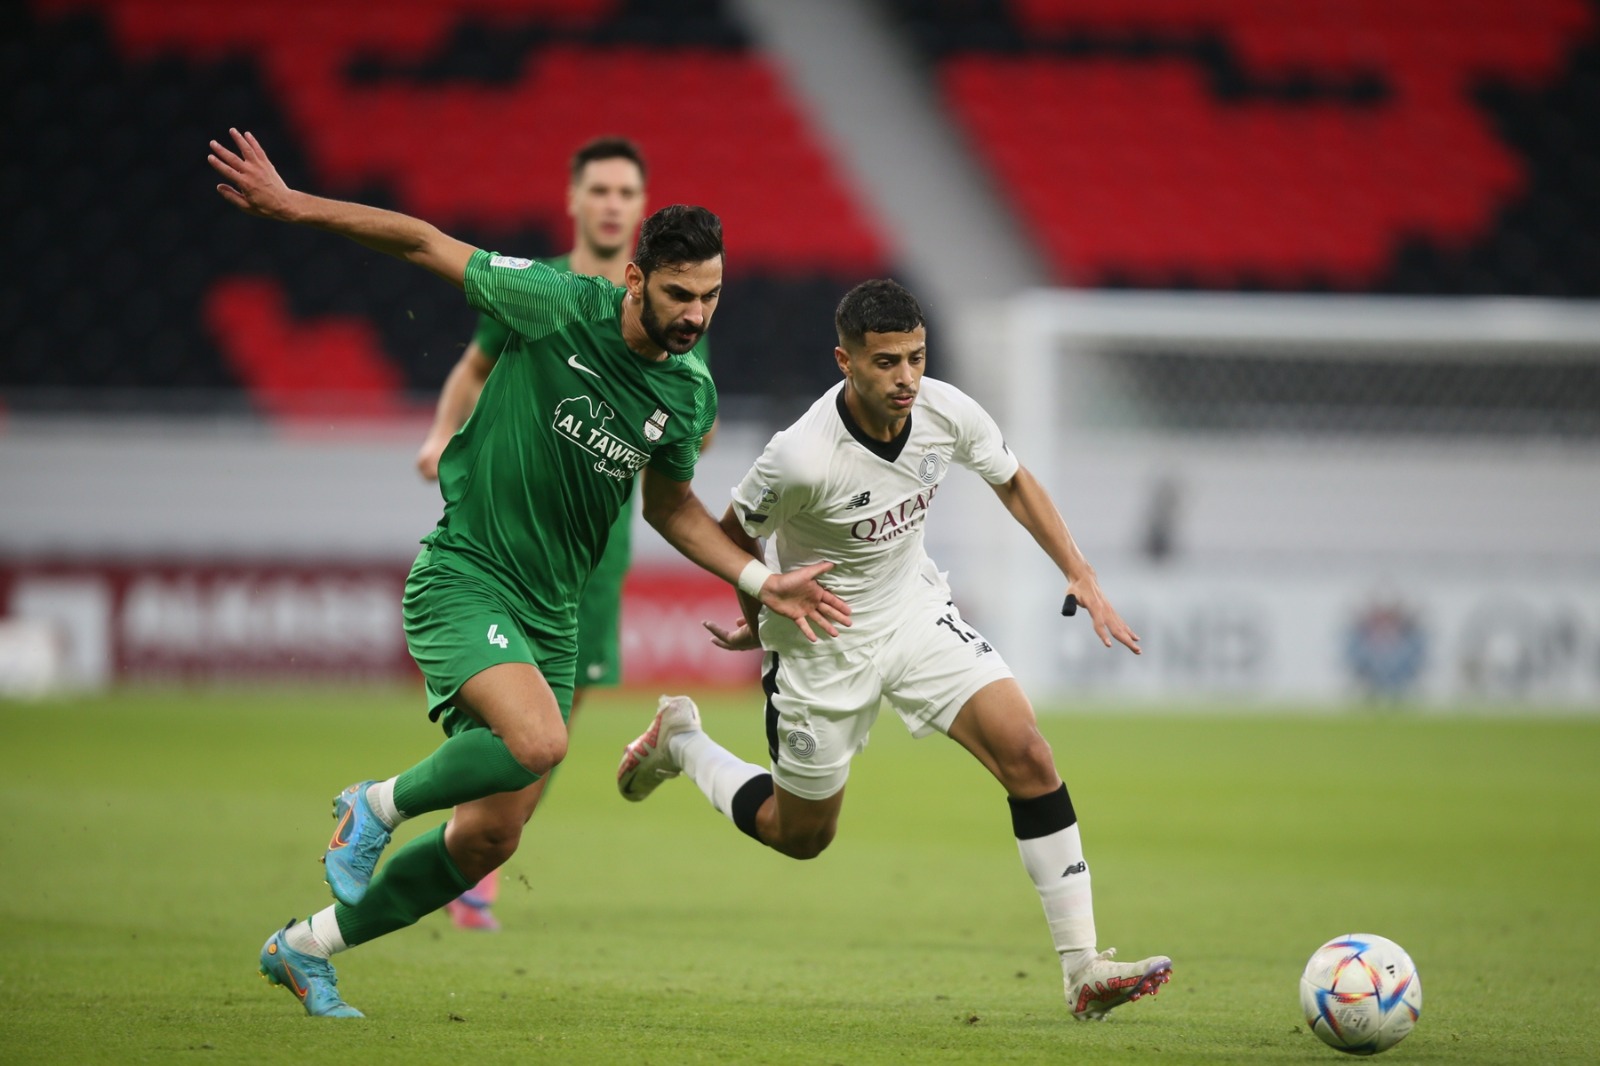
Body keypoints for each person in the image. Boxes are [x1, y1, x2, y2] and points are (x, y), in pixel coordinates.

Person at [207, 127, 850, 1018]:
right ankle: (375, 805)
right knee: (540, 742)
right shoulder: (555, 304)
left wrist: (752, 578)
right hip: (467, 573)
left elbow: (669, 510)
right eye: (678, 294)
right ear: (636, 280)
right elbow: (424, 239)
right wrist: (295, 205)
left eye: (710, 295)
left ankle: (306, 947)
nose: (696, 314)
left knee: (489, 838)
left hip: (555, 614)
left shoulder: (687, 392)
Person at [615, 278, 1171, 1022]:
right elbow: (733, 534)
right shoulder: (801, 457)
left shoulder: (945, 410)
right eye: (886, 363)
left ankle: (1082, 971)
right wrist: (763, 605)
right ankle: (684, 745)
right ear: (845, 361)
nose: (906, 377)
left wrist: (1080, 571)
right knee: (800, 835)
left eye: (914, 357)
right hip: (821, 644)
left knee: (1029, 754)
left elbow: (1013, 481)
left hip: (913, 612)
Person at [413, 136, 712, 933]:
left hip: (595, 554)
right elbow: (476, 366)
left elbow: (680, 438)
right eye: (601, 190)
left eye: (627, 192)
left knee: (552, 730)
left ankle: (478, 844)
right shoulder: (547, 289)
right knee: (521, 722)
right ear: (576, 200)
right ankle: (461, 853)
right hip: (509, 532)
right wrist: (443, 432)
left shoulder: (682, 310)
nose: (613, 204)